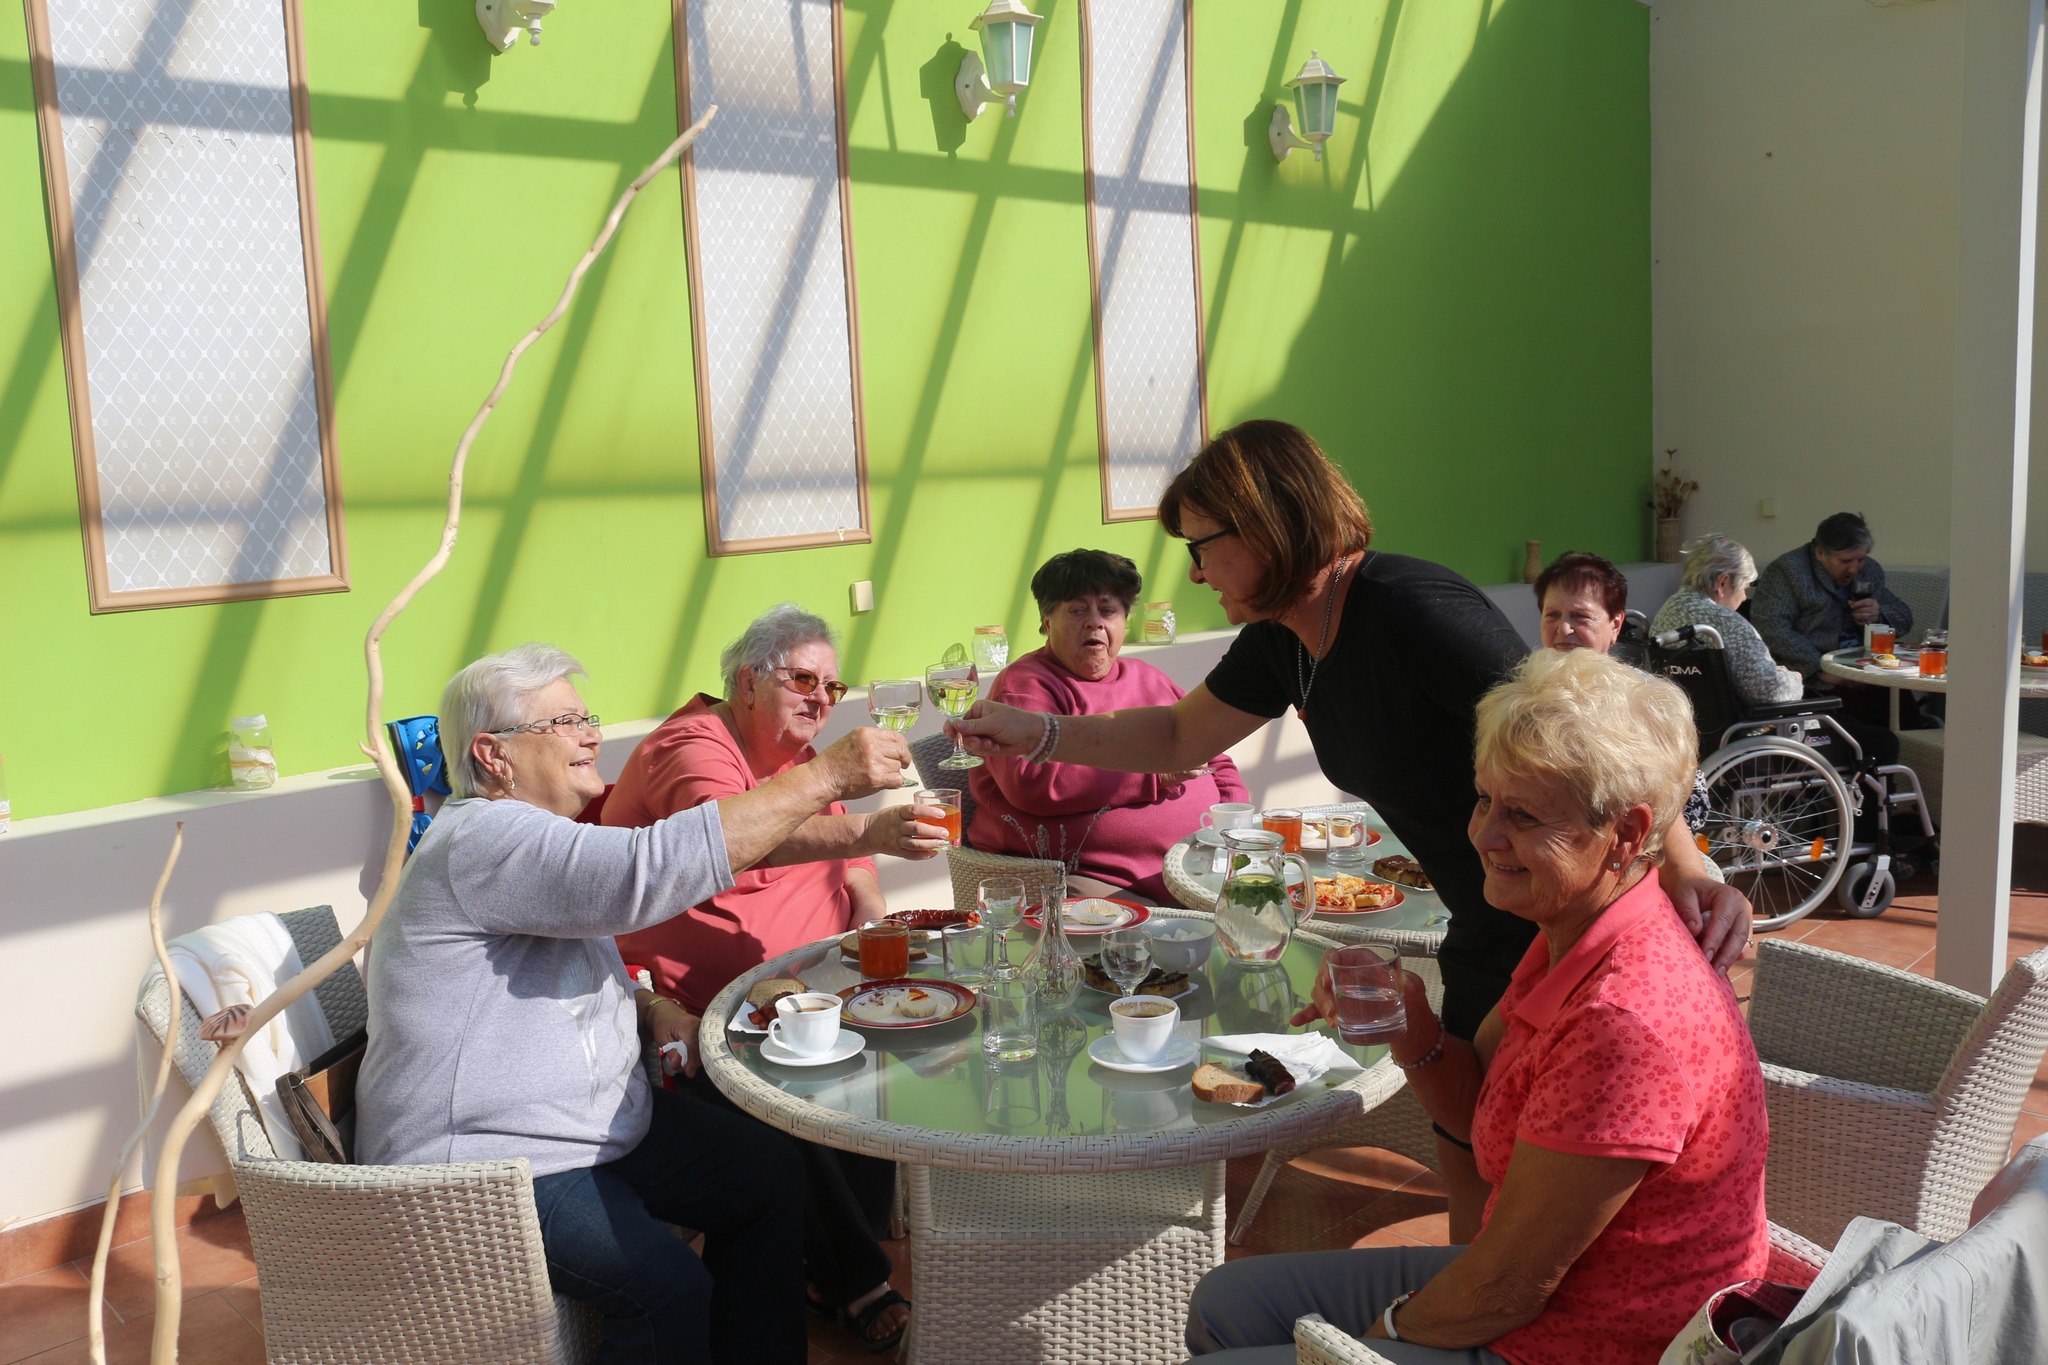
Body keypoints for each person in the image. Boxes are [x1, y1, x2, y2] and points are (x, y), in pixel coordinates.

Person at [949, 420, 1750, 1240]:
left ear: (1265, 527)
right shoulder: (1284, 638)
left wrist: (1686, 865)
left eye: (1201, 546)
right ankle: (1463, 1292)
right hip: (1488, 917)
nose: (1193, 572)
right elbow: (1178, 736)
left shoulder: (1409, 609)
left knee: (1554, 1197)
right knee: (1476, 1160)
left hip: (1572, 925)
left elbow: (1589, 737)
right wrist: (1035, 731)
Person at [1185, 649, 1770, 1365]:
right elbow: (1476, 1115)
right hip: (1541, 1296)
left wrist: (1370, 1339)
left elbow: (1506, 1290)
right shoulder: (1573, 930)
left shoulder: (1622, 1018)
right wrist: (1412, 1025)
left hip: (1593, 1343)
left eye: (1522, 815)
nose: (1484, 835)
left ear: (1624, 833)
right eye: (1485, 799)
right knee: (1226, 1303)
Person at [357, 643, 910, 1365]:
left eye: (587, 717)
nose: (590, 735)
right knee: (665, 1287)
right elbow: (645, 871)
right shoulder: (484, 838)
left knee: (767, 1172)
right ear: (494, 755)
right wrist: (828, 775)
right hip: (491, 1160)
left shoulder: (534, 837)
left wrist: (652, 1009)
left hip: (585, 1127)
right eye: (563, 722)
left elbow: (584, 961)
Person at [602, 605, 938, 1353]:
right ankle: (859, 1279)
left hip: (818, 983)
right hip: (701, 1011)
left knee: (891, 1044)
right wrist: (867, 822)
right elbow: (727, 838)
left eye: (832, 685)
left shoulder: (797, 755)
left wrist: (870, 915)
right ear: (748, 682)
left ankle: (828, 1264)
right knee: (784, 1096)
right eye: (803, 680)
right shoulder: (693, 745)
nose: (821, 698)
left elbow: (850, 859)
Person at [968, 549, 1248, 902]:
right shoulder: (1026, 684)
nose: (1095, 623)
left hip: (1197, 865)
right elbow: (1031, 784)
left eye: (1108, 610)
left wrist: (1232, 822)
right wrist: (1153, 775)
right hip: (1095, 878)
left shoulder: (1148, 677)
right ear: (1047, 621)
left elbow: (1214, 752)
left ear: (1124, 621)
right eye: (1077, 610)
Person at [1533, 551, 1718, 855]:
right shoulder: (1528, 694)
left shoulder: (1646, 700)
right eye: (1552, 614)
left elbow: (1688, 800)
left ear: (1616, 625)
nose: (1563, 629)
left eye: (1580, 617)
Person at [1751, 511, 1912, 762]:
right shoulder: (1787, 572)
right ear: (1820, 552)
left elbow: (1904, 619)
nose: (1855, 568)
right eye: (1846, 560)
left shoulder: (1869, 570)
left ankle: (1913, 770)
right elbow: (1771, 627)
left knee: (1902, 704)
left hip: (1865, 667)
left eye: (1861, 559)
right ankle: (1868, 775)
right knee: (1858, 722)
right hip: (1814, 675)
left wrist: (1879, 614)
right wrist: (1819, 667)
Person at [1651, 534, 1805, 706]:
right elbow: (1766, 691)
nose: (1745, 597)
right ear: (1722, 582)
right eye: (1744, 588)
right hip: (1734, 720)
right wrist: (1793, 678)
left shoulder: (1666, 612)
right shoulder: (1727, 623)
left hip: (1682, 716)